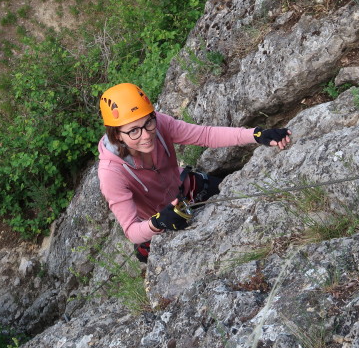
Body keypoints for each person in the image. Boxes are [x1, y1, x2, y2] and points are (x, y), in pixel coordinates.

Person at [97, 83, 291, 262]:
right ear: (116, 135)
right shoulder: (111, 174)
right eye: (133, 131)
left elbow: (204, 135)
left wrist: (256, 135)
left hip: (187, 188)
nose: (146, 135)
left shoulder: (160, 125)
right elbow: (131, 230)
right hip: (164, 218)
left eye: (148, 123)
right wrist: (157, 223)